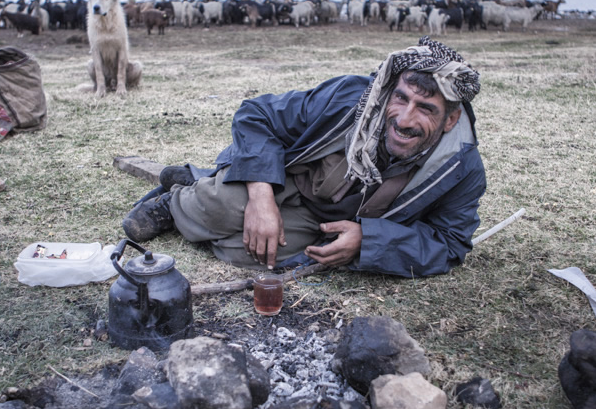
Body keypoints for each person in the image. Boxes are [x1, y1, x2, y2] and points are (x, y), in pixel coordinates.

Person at [123, 36, 486, 277]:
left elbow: (449, 243)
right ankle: (178, 200)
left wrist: (368, 241)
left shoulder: (462, 167)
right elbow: (256, 114)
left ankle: (205, 192)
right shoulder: (350, 97)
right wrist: (261, 200)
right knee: (221, 206)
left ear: (451, 119)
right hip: (284, 177)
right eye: (401, 98)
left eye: (425, 108)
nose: (405, 119)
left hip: (330, 223)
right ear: (389, 91)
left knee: (249, 255)